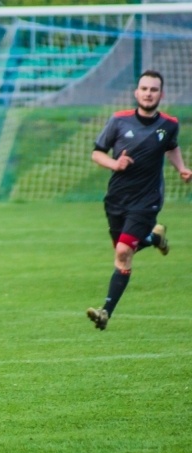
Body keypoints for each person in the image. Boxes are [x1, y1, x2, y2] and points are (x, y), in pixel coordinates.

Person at [86, 70, 191, 330]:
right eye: (144, 88)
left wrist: (181, 168)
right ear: (136, 93)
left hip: (148, 199)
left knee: (123, 252)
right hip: (117, 199)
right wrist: (115, 164)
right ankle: (155, 238)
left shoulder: (169, 124)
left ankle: (105, 313)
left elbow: (172, 146)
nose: (148, 93)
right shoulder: (118, 121)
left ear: (161, 94)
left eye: (153, 89)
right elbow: (97, 154)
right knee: (123, 249)